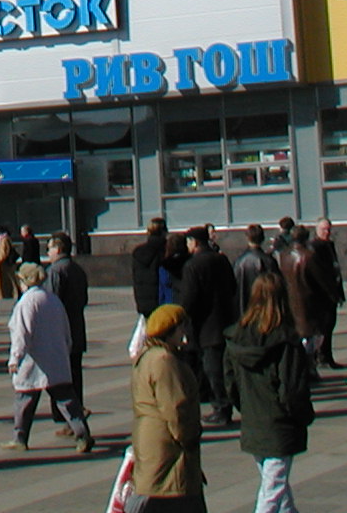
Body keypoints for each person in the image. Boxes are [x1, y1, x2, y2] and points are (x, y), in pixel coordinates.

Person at [223, 274, 312, 513]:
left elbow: (229, 382)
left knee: (276, 486)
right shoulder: (286, 341)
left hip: (254, 420)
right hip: (279, 423)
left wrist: (245, 407)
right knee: (272, 491)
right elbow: (292, 389)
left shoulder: (236, 337)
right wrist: (303, 416)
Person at [3, 261, 93, 453]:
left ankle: (20, 438)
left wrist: (15, 358)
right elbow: (65, 329)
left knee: (24, 400)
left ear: (25, 281)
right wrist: (66, 348)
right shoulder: (52, 299)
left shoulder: (26, 302)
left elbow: (22, 334)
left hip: (33, 360)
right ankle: (83, 434)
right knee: (66, 400)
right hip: (56, 358)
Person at [128, 304, 204, 510]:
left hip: (151, 440)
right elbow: (176, 408)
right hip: (167, 445)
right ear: (170, 330)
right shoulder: (164, 360)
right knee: (172, 496)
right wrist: (189, 436)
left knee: (155, 494)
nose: (185, 332)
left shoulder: (147, 356)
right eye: (182, 327)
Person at [177, 227, 239, 427]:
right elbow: (233, 287)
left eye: (189, 242)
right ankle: (224, 405)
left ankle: (221, 407)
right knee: (222, 366)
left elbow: (189, 299)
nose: (187, 245)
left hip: (204, 326)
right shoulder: (221, 259)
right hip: (225, 320)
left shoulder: (192, 265)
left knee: (212, 369)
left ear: (195, 243)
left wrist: (181, 320)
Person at [43, 233, 90, 419]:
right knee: (75, 375)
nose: (48, 252)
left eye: (49, 248)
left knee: (60, 377)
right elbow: (83, 299)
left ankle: (68, 417)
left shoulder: (55, 271)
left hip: (60, 332)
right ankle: (77, 411)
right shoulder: (77, 269)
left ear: (58, 249)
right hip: (77, 328)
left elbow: (51, 302)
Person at [303, 221, 344, 369]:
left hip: (332, 291)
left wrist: (339, 292)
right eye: (324, 229)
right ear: (317, 230)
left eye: (328, 229)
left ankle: (326, 355)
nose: (327, 232)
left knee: (329, 325)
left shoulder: (329, 245)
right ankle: (321, 356)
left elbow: (335, 269)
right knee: (323, 327)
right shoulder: (315, 247)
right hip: (321, 295)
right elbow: (320, 274)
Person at [130, 218, 169, 318]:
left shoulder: (139, 252)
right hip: (162, 302)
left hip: (144, 303)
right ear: (164, 232)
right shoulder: (165, 250)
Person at [232, 224, 275, 314]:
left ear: (247, 238)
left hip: (244, 309)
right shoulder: (269, 260)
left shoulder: (239, 261)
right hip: (266, 309)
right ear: (262, 238)